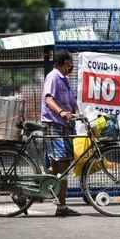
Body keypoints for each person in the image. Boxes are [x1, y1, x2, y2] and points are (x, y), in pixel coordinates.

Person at [41, 50, 81, 217]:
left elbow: (71, 102)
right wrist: (62, 112)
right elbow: (48, 99)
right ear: (64, 63)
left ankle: (44, 188)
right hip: (54, 124)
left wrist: (78, 114)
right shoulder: (54, 76)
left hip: (65, 126)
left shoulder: (64, 79)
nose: (72, 66)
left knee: (60, 165)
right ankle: (61, 205)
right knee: (62, 166)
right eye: (70, 62)